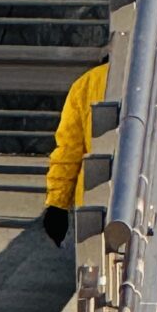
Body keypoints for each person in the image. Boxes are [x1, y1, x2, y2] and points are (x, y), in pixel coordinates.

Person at [41, 60, 109, 245]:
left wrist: (58, 204)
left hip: (94, 200)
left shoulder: (87, 83)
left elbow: (69, 150)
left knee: (94, 263)